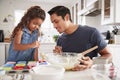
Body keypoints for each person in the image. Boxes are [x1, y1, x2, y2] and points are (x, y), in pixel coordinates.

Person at [48, 6, 112, 71]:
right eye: (52, 23)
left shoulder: (91, 32)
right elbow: (64, 63)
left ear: (66, 17)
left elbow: (109, 55)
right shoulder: (60, 39)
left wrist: (93, 63)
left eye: (56, 21)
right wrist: (59, 56)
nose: (54, 26)